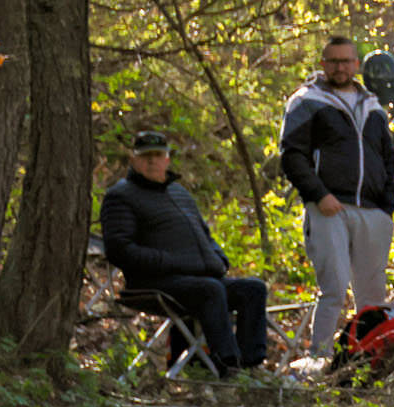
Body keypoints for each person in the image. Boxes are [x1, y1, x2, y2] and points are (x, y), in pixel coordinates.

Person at [100, 130, 269, 373]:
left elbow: (205, 235)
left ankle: (251, 366)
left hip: (199, 278)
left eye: (158, 155)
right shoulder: (120, 195)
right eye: (145, 156)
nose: (152, 161)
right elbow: (119, 250)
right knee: (210, 290)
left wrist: (219, 257)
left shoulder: (179, 193)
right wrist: (167, 261)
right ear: (133, 160)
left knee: (253, 289)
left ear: (167, 159)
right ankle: (227, 367)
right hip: (155, 283)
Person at [279, 36, 394, 354]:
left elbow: (388, 158)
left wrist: (387, 207)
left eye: (346, 61)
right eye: (333, 61)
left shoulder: (373, 105)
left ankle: (366, 360)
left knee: (372, 295)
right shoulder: (306, 100)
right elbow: (292, 155)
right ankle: (319, 358)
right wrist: (319, 195)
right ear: (323, 64)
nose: (340, 67)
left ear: (356, 64)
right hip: (329, 207)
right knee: (334, 287)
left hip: (372, 211)